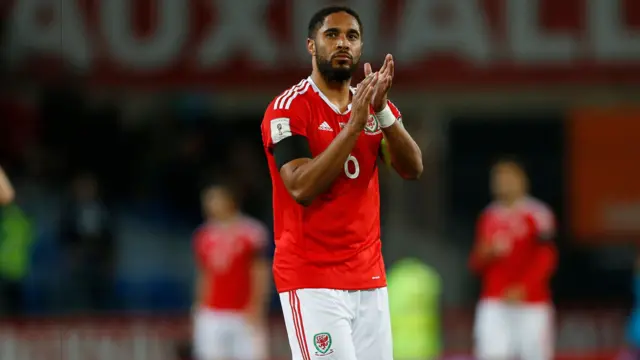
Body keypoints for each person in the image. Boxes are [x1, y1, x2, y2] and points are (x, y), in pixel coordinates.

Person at [260, 6, 423, 360]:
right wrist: (354, 126)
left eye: (351, 36)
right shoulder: (288, 109)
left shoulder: (371, 105)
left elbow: (412, 168)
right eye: (331, 34)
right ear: (311, 45)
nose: (342, 43)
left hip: (369, 279)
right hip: (312, 280)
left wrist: (380, 112)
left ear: (361, 47)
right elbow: (301, 187)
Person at [469, 157, 557, 360]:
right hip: (495, 302)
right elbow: (475, 262)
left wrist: (525, 287)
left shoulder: (538, 214)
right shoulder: (488, 216)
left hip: (532, 303)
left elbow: (547, 258)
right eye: (497, 179)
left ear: (522, 180)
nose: (502, 183)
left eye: (507, 178)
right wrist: (487, 254)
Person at [192, 183, 270, 360]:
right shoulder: (202, 236)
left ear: (229, 201)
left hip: (243, 312)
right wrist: (199, 307)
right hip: (212, 312)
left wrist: (257, 307)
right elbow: (205, 274)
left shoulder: (252, 233)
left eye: (214, 199)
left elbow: (260, 272)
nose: (210, 205)